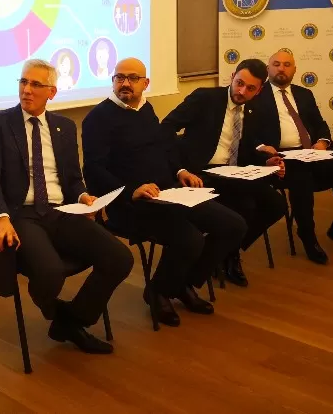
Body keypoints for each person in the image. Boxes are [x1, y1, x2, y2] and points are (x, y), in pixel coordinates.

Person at [0, 59, 133, 354]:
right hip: (21, 214)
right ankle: (60, 316)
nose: (27, 90)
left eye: (36, 84)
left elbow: (72, 179)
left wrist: (83, 196)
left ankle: (72, 320)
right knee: (50, 273)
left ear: (52, 92)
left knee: (120, 258)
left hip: (61, 212)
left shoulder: (64, 127)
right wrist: (0, 217)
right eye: (23, 82)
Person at [81, 58, 246, 326]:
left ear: (145, 83)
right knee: (190, 239)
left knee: (233, 226)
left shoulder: (146, 110)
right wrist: (132, 191)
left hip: (168, 194)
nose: (125, 83)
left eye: (133, 78)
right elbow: (94, 170)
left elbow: (164, 148)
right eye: (119, 77)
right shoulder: (97, 119)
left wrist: (180, 171)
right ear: (112, 81)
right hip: (130, 204)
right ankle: (158, 292)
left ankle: (181, 283)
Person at [161, 58, 287, 288]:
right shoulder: (205, 98)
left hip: (233, 173)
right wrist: (179, 169)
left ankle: (226, 252)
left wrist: (266, 161)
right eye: (239, 83)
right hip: (200, 173)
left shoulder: (255, 109)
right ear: (232, 77)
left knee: (276, 205)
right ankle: (204, 267)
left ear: (259, 90)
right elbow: (166, 128)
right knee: (245, 207)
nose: (242, 91)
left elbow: (248, 146)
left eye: (250, 88)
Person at [250, 49, 333, 264]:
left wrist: (322, 142)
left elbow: (320, 124)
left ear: (295, 70)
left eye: (287, 65)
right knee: (301, 177)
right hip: (281, 156)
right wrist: (261, 146)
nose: (281, 68)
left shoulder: (304, 94)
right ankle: (307, 234)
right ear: (268, 69)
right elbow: (246, 131)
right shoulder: (256, 95)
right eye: (276, 64)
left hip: (312, 151)